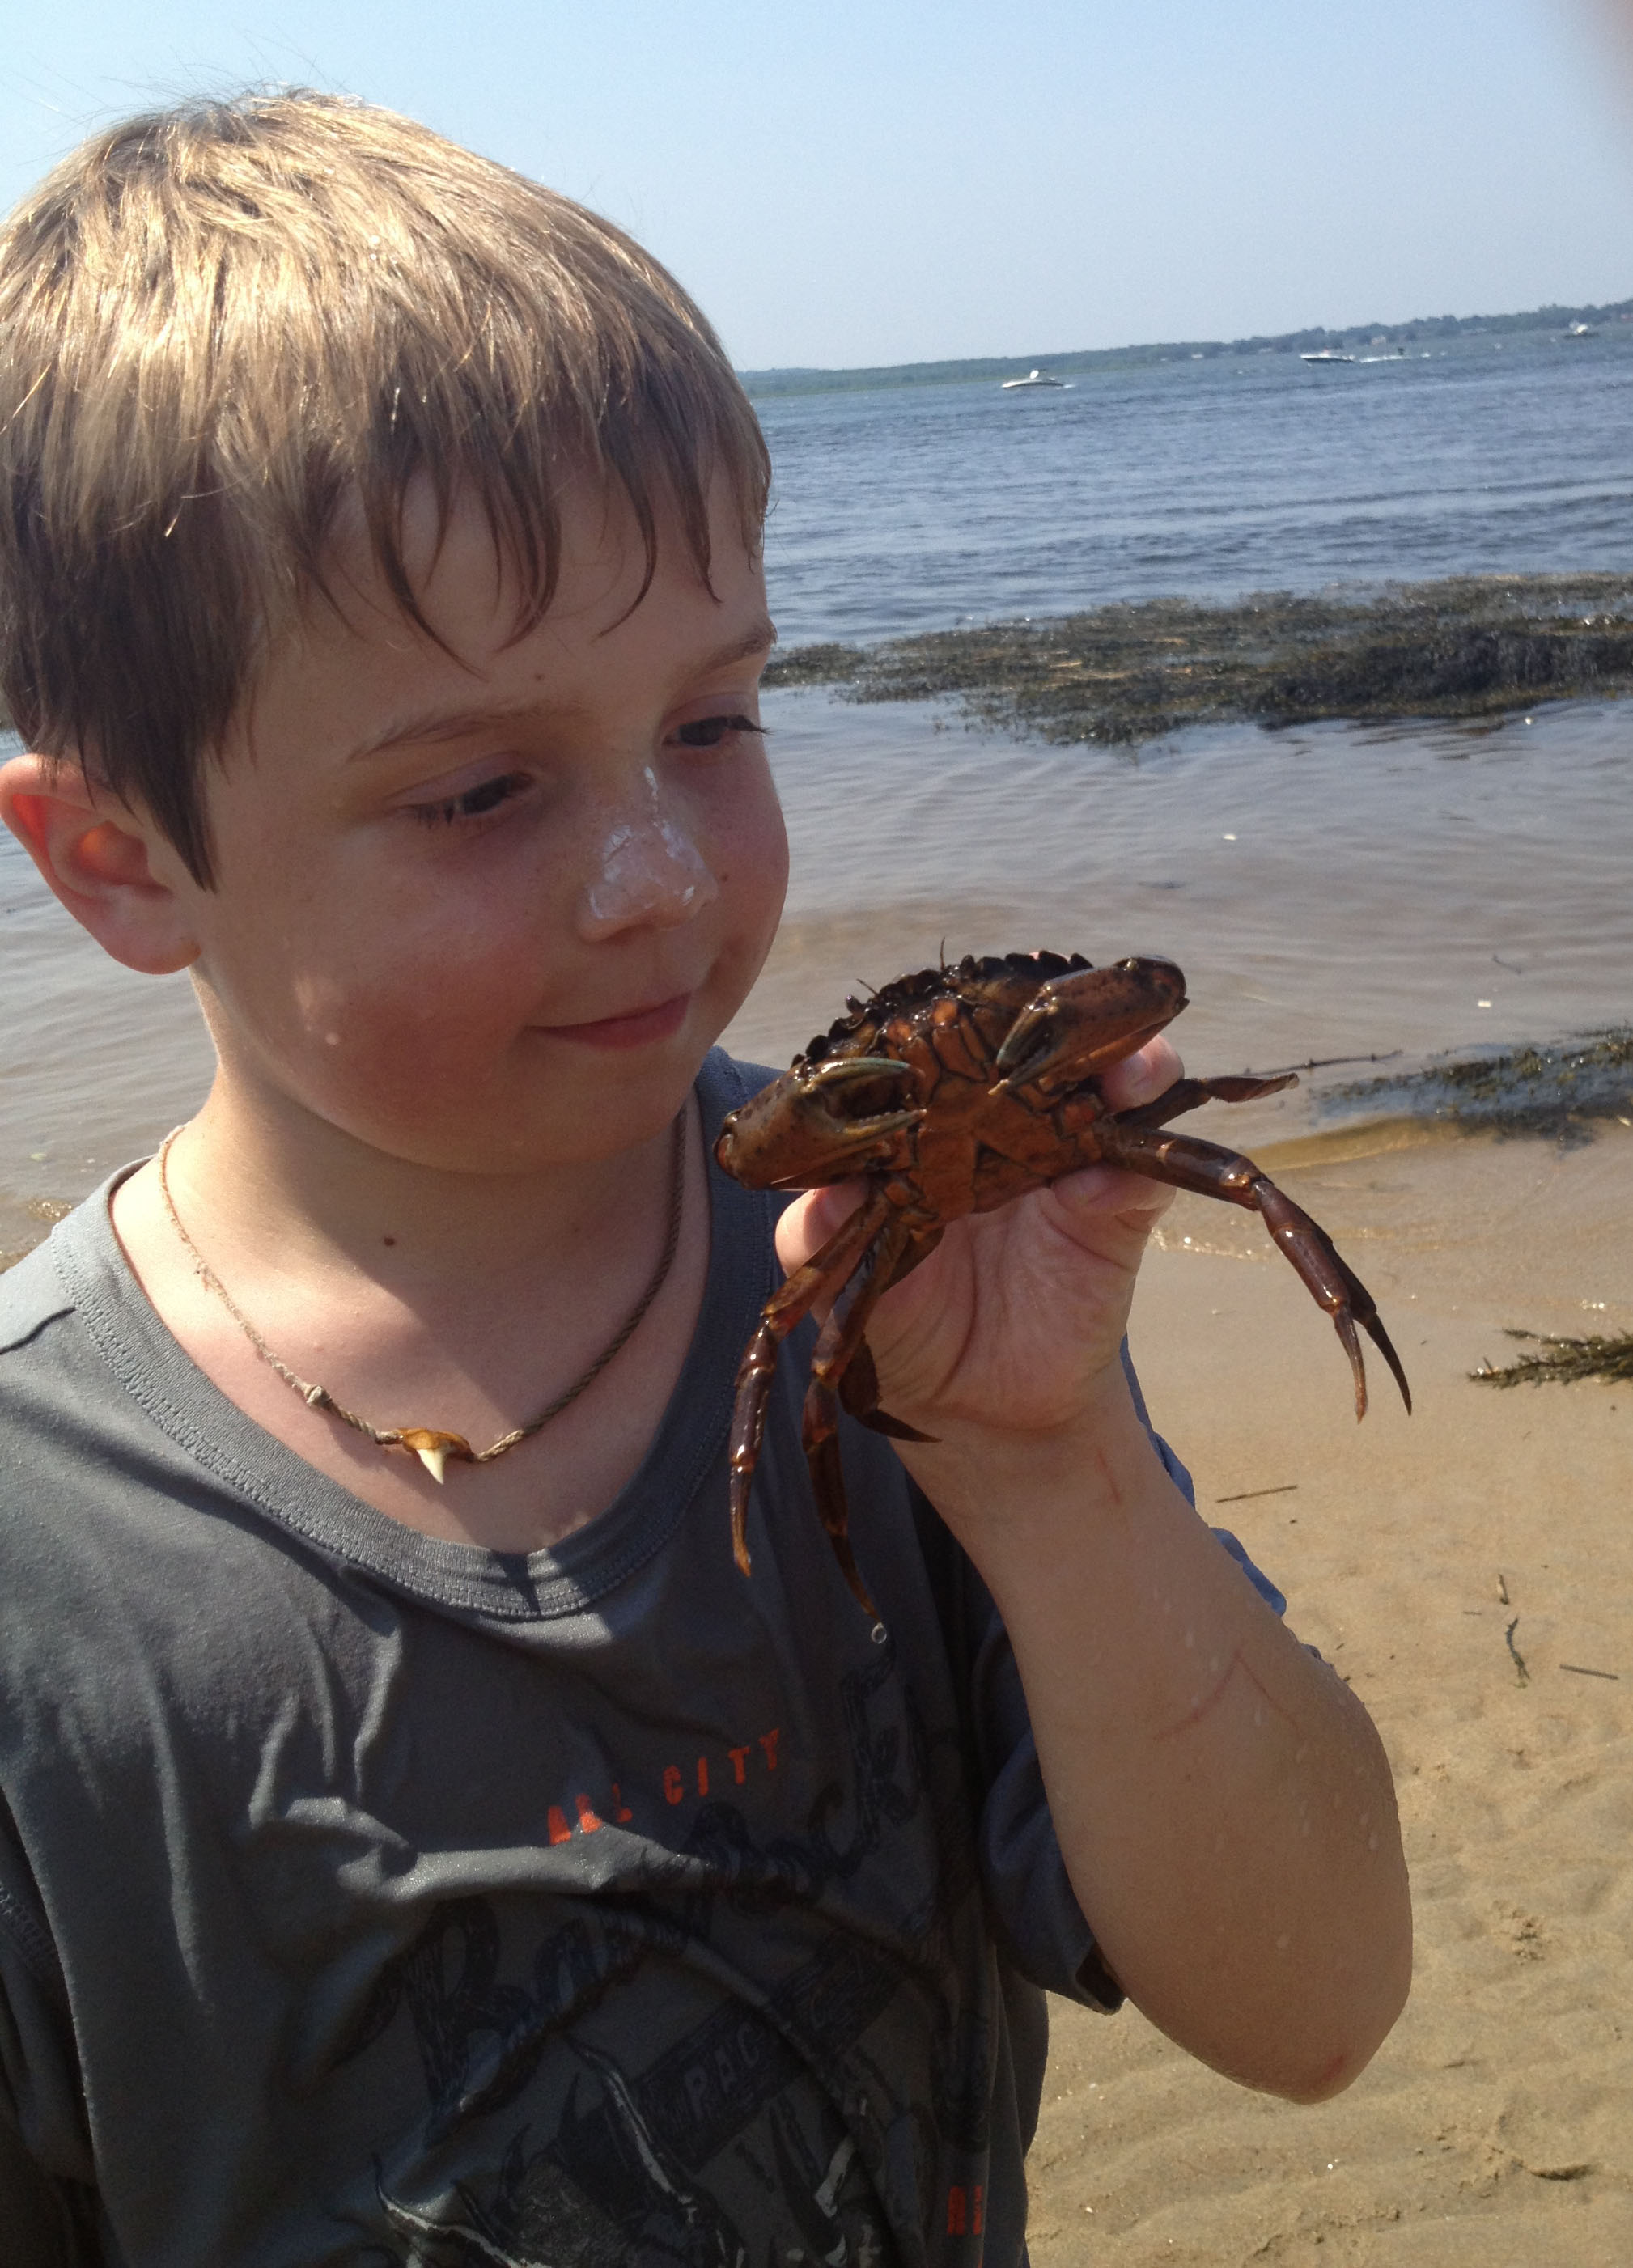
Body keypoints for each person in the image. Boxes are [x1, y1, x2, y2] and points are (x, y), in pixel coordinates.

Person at [0, 92, 1410, 2267]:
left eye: (719, 722)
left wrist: (1048, 1473)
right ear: (120, 859)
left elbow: (1314, 2003)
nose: (657, 875)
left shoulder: (895, 1298)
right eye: (479, 789)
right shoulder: (42, 1554)